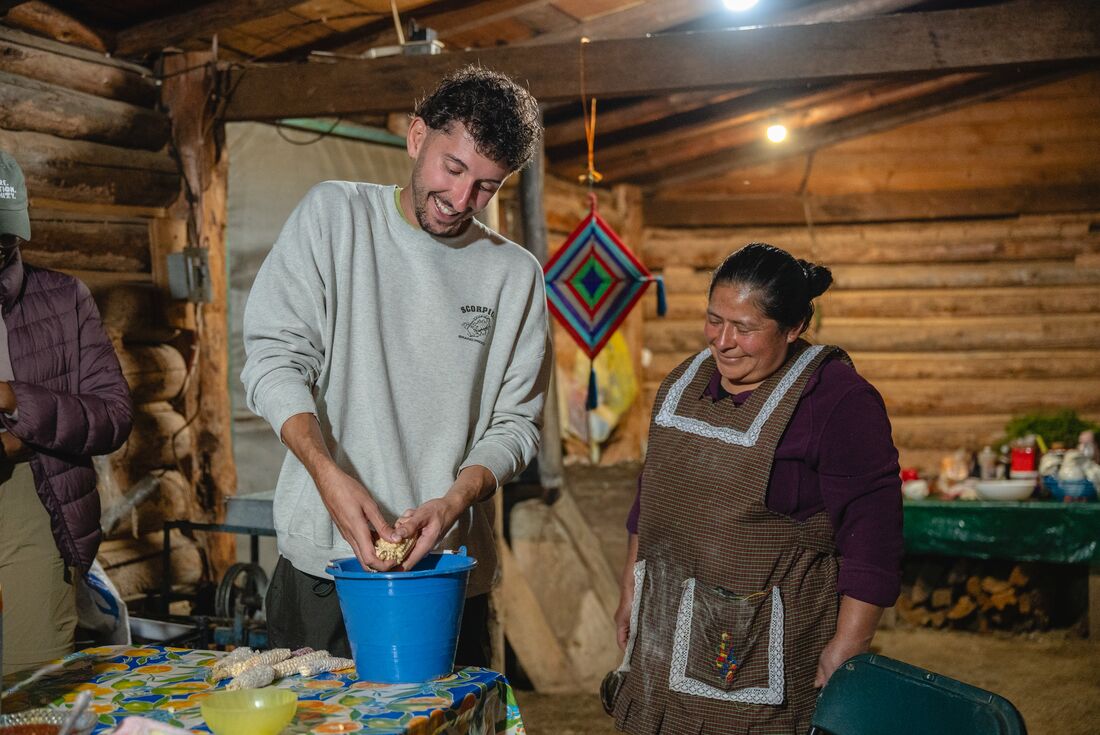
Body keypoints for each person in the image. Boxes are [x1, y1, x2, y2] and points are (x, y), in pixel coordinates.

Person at [241, 66, 550, 666]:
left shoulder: (514, 275)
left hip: (448, 575)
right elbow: (275, 359)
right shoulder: (335, 217)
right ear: (416, 136)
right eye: (452, 168)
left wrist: (455, 501)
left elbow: (516, 424)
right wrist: (327, 476)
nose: (460, 200)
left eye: (486, 187)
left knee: (448, 716)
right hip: (324, 566)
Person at [608, 243, 902, 733]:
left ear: (794, 327)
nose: (723, 342)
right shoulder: (684, 383)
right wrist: (629, 591)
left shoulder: (838, 400)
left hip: (760, 647)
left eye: (744, 328)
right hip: (662, 630)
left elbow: (873, 536)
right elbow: (650, 499)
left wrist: (850, 643)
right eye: (713, 320)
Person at [0, 150, 133, 675]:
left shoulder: (62, 298)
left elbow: (113, 415)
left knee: (29, 680)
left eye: (6, 237)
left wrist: (15, 402)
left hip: (30, 494)